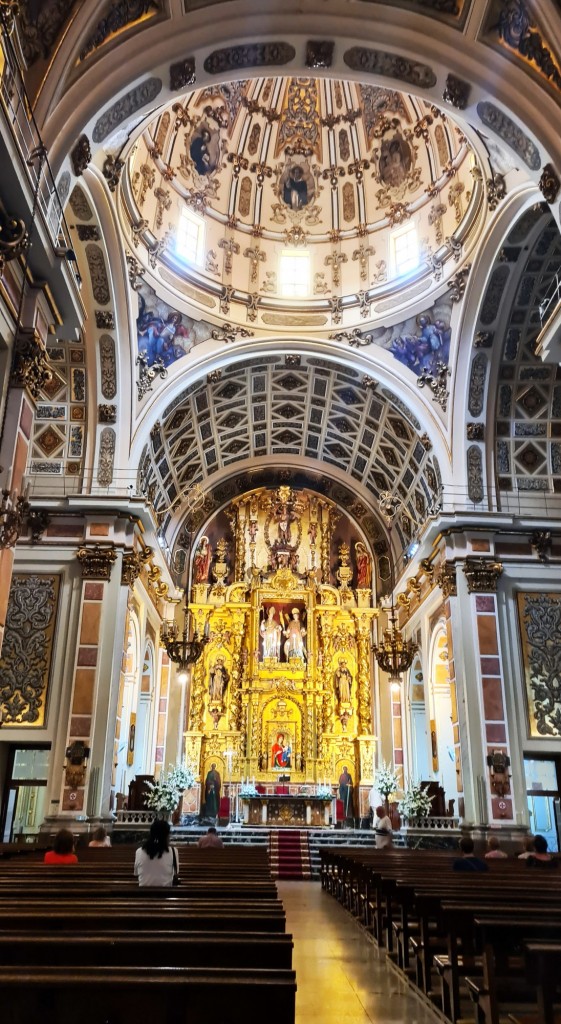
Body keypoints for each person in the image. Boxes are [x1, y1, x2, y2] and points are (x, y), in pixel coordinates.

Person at [134, 818, 177, 887]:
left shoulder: (139, 851)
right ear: (167, 835)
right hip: (166, 895)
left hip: (143, 895)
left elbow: (136, 873)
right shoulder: (173, 851)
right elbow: (175, 872)